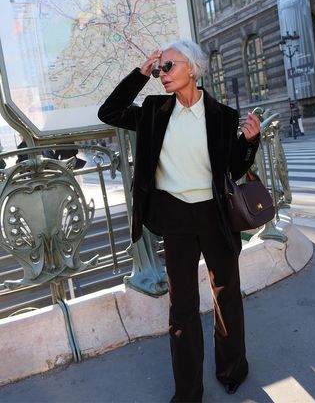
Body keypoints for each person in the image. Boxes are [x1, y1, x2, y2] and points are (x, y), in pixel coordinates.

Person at [98, 40, 260, 403]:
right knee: (182, 307)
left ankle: (232, 369)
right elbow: (108, 111)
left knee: (227, 296)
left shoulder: (222, 115)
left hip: (215, 215)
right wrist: (140, 74)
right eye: (159, 70)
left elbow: (233, 168)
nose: (162, 74)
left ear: (194, 68)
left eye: (169, 66)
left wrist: (251, 142)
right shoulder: (154, 110)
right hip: (175, 217)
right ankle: (188, 392)